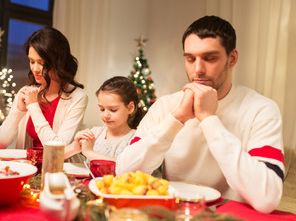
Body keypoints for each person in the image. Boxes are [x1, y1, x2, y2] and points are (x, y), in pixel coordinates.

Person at [116, 16, 284, 213]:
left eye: (210, 58)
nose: (198, 69)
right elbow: (123, 172)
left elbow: (267, 199)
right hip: (173, 215)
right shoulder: (166, 106)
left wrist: (209, 120)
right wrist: (176, 119)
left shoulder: (261, 109)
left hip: (229, 218)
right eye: (190, 58)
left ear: (232, 58)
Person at [0, 27, 88, 149]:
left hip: (59, 167)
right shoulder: (26, 92)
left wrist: (33, 107)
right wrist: (18, 112)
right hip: (27, 167)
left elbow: (57, 148)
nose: (35, 69)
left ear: (59, 62)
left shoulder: (77, 97)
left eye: (42, 63)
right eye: (32, 61)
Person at [64, 76, 144, 161]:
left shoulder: (135, 139)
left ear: (130, 108)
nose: (105, 115)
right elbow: (55, 157)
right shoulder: (94, 133)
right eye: (102, 109)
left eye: (113, 110)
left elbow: (125, 167)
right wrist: (75, 148)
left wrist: (89, 152)